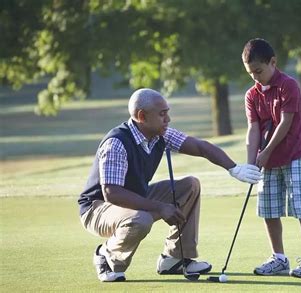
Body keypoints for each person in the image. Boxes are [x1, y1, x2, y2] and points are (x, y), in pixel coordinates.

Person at [78, 88, 262, 282]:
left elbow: (200, 146)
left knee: (190, 186)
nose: (168, 119)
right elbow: (112, 193)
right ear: (142, 116)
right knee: (140, 219)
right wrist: (160, 207)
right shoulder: (117, 143)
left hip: (133, 199)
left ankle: (174, 259)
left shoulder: (160, 134)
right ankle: (107, 257)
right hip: (97, 208)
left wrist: (234, 169)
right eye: (162, 114)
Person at [241, 38, 301, 278]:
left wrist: (265, 152)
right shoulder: (252, 95)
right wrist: (250, 163)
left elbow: (285, 123)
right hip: (268, 161)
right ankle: (279, 258)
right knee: (268, 208)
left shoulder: (289, 85)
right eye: (250, 73)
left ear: (273, 62)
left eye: (258, 71)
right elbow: (253, 129)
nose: (255, 77)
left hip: (294, 153)